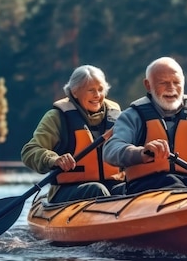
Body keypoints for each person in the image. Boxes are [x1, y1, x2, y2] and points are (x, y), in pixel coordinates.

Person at [103, 56, 187, 194]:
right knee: (169, 181)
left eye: (176, 82)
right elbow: (111, 150)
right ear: (148, 85)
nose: (171, 88)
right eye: (163, 83)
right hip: (146, 189)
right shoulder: (133, 116)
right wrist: (141, 152)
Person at [21, 65, 125, 203]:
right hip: (68, 189)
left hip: (112, 185)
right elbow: (29, 151)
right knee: (97, 190)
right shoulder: (57, 117)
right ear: (75, 92)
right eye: (91, 90)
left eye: (100, 90)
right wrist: (54, 159)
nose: (97, 95)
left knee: (130, 188)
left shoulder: (117, 116)